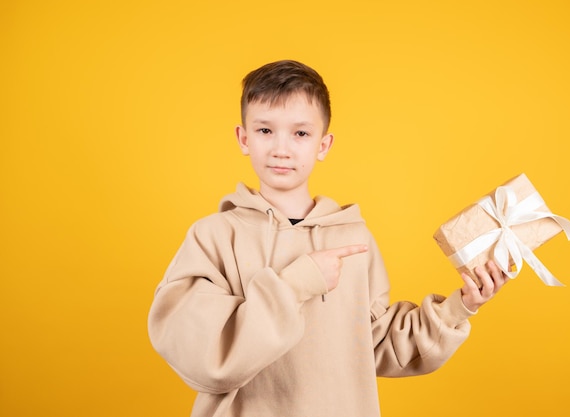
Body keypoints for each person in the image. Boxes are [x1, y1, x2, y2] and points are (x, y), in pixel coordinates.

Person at [147, 60, 508, 417]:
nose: (281, 149)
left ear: (323, 144)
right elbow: (200, 355)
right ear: (243, 138)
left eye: (300, 133)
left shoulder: (353, 237)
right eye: (265, 131)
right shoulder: (212, 236)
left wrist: (461, 306)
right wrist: (296, 284)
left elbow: (377, 345)